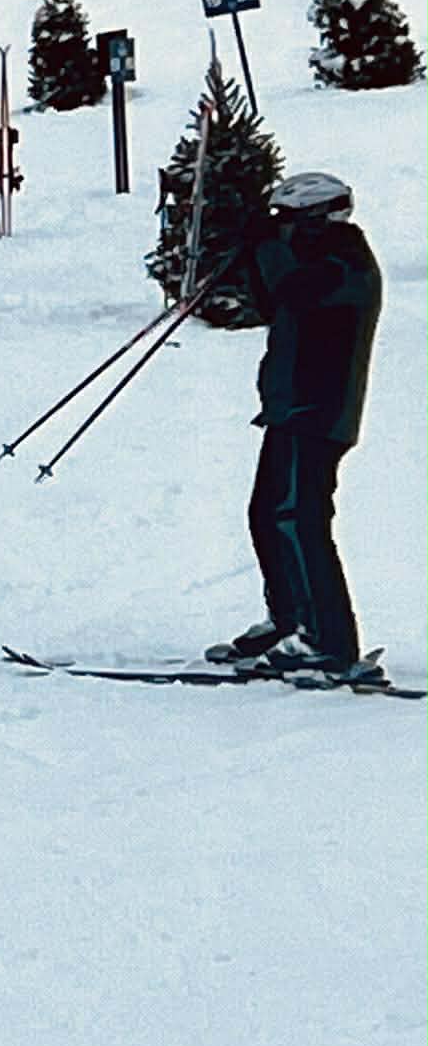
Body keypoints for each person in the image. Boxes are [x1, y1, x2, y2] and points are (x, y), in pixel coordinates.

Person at [204, 172, 385, 684]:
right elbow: (272, 301)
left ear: (316, 219)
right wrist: (250, 249)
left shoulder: (344, 262)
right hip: (292, 408)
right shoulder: (319, 259)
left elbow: (293, 290)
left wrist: (263, 243)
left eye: (288, 222)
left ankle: (327, 640)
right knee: (267, 514)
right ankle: (290, 620)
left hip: (318, 412)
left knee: (298, 519)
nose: (282, 231)